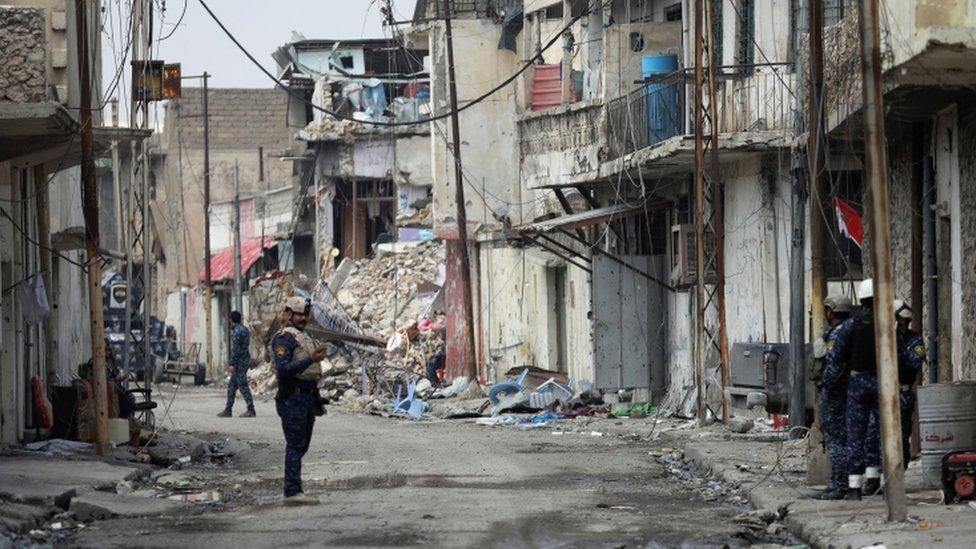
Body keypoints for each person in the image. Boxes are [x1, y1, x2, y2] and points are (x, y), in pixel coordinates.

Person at [272, 296, 327, 506]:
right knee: (295, 444)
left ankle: (293, 487)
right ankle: (293, 491)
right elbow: (283, 369)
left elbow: (310, 373)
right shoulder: (284, 339)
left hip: (305, 396)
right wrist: (310, 359)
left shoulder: (303, 337)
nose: (302, 318)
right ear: (288, 315)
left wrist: (316, 400)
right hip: (291, 397)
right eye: (298, 314)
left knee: (302, 444)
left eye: (305, 314)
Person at [843, 278, 882, 500]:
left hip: (857, 385)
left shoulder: (851, 324)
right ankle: (878, 481)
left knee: (856, 436)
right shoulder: (886, 324)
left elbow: (837, 356)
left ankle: (854, 488)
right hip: (881, 383)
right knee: (879, 433)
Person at [813, 294, 853, 500]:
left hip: (836, 392)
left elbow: (834, 365)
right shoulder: (848, 330)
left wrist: (823, 385)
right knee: (840, 437)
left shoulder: (838, 335)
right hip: (847, 390)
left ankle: (840, 484)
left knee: (835, 438)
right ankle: (838, 482)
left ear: (831, 311)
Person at [894, 300, 925, 469]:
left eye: (905, 320)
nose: (903, 323)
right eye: (900, 319)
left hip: (903, 390)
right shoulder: (887, 336)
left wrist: (898, 355)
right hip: (884, 390)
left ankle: (901, 465)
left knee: (903, 432)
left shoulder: (914, 339)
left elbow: (914, 363)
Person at [217, 311, 256, 418]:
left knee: (243, 386)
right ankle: (228, 410)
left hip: (239, 362)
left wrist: (232, 363)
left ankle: (251, 409)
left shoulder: (237, 331)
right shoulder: (245, 329)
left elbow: (236, 349)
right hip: (244, 359)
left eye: (229, 319)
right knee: (232, 386)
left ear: (231, 320)